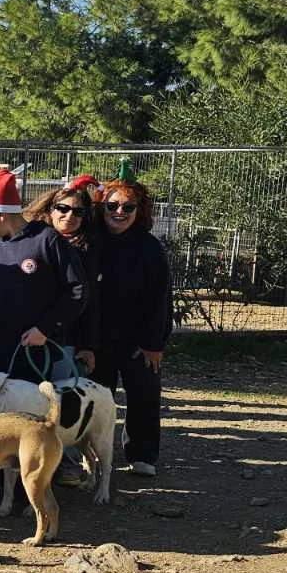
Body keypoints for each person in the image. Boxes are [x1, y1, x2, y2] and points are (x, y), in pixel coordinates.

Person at [0, 170, 87, 383]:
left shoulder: (47, 240)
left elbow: (77, 291)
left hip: (31, 352)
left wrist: (45, 328)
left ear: (1, 214)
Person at [93, 179, 171, 477]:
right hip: (98, 337)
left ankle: (143, 452)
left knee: (144, 394)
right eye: (112, 205)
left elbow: (160, 299)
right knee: (100, 398)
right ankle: (97, 454)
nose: (120, 212)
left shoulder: (151, 248)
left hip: (139, 338)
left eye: (128, 206)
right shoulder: (92, 241)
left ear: (140, 211)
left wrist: (154, 343)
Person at [24, 181, 103, 374]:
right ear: (51, 209)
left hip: (66, 337)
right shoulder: (29, 240)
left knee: (57, 396)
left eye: (78, 212)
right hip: (27, 333)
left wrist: (87, 345)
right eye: (63, 208)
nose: (69, 216)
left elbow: (89, 299)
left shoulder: (88, 250)